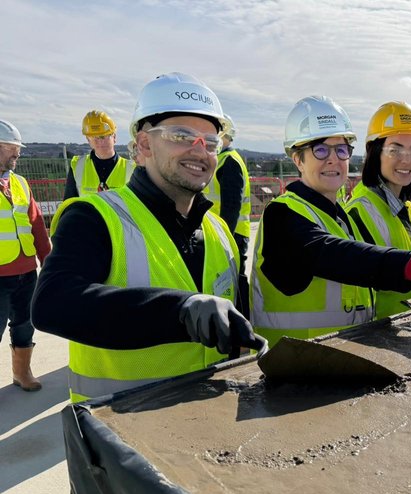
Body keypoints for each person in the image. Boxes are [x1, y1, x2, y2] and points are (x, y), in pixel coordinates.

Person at [32, 72, 258, 403]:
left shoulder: (219, 231)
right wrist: (180, 309)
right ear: (144, 144)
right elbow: (52, 304)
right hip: (120, 433)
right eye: (181, 135)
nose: (199, 151)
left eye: (210, 142)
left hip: (208, 425)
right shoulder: (95, 217)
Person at [250, 95, 411, 347]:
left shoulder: (337, 218)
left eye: (341, 150)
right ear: (297, 159)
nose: (333, 159)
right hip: (292, 369)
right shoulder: (282, 214)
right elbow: (329, 254)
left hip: (337, 363)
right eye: (320, 149)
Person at [346, 101, 411, 318]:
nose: (407, 160)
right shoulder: (359, 211)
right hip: (377, 336)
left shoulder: (409, 207)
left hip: (407, 330)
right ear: (375, 152)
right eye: (395, 149)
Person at [0, 119, 51, 392]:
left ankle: (22, 373)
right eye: (11, 149)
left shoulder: (19, 183)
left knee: (24, 324)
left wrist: (48, 261)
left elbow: (36, 223)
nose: (16, 154)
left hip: (25, 271)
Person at [203, 113, 251, 318]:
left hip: (231, 234)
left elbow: (232, 207)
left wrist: (224, 237)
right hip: (220, 232)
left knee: (233, 280)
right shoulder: (221, 159)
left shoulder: (229, 162)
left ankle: (243, 326)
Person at [62, 110, 134, 200]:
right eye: (94, 137)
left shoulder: (131, 168)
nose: (100, 141)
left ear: (114, 137)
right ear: (88, 140)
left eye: (104, 136)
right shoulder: (77, 166)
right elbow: (69, 203)